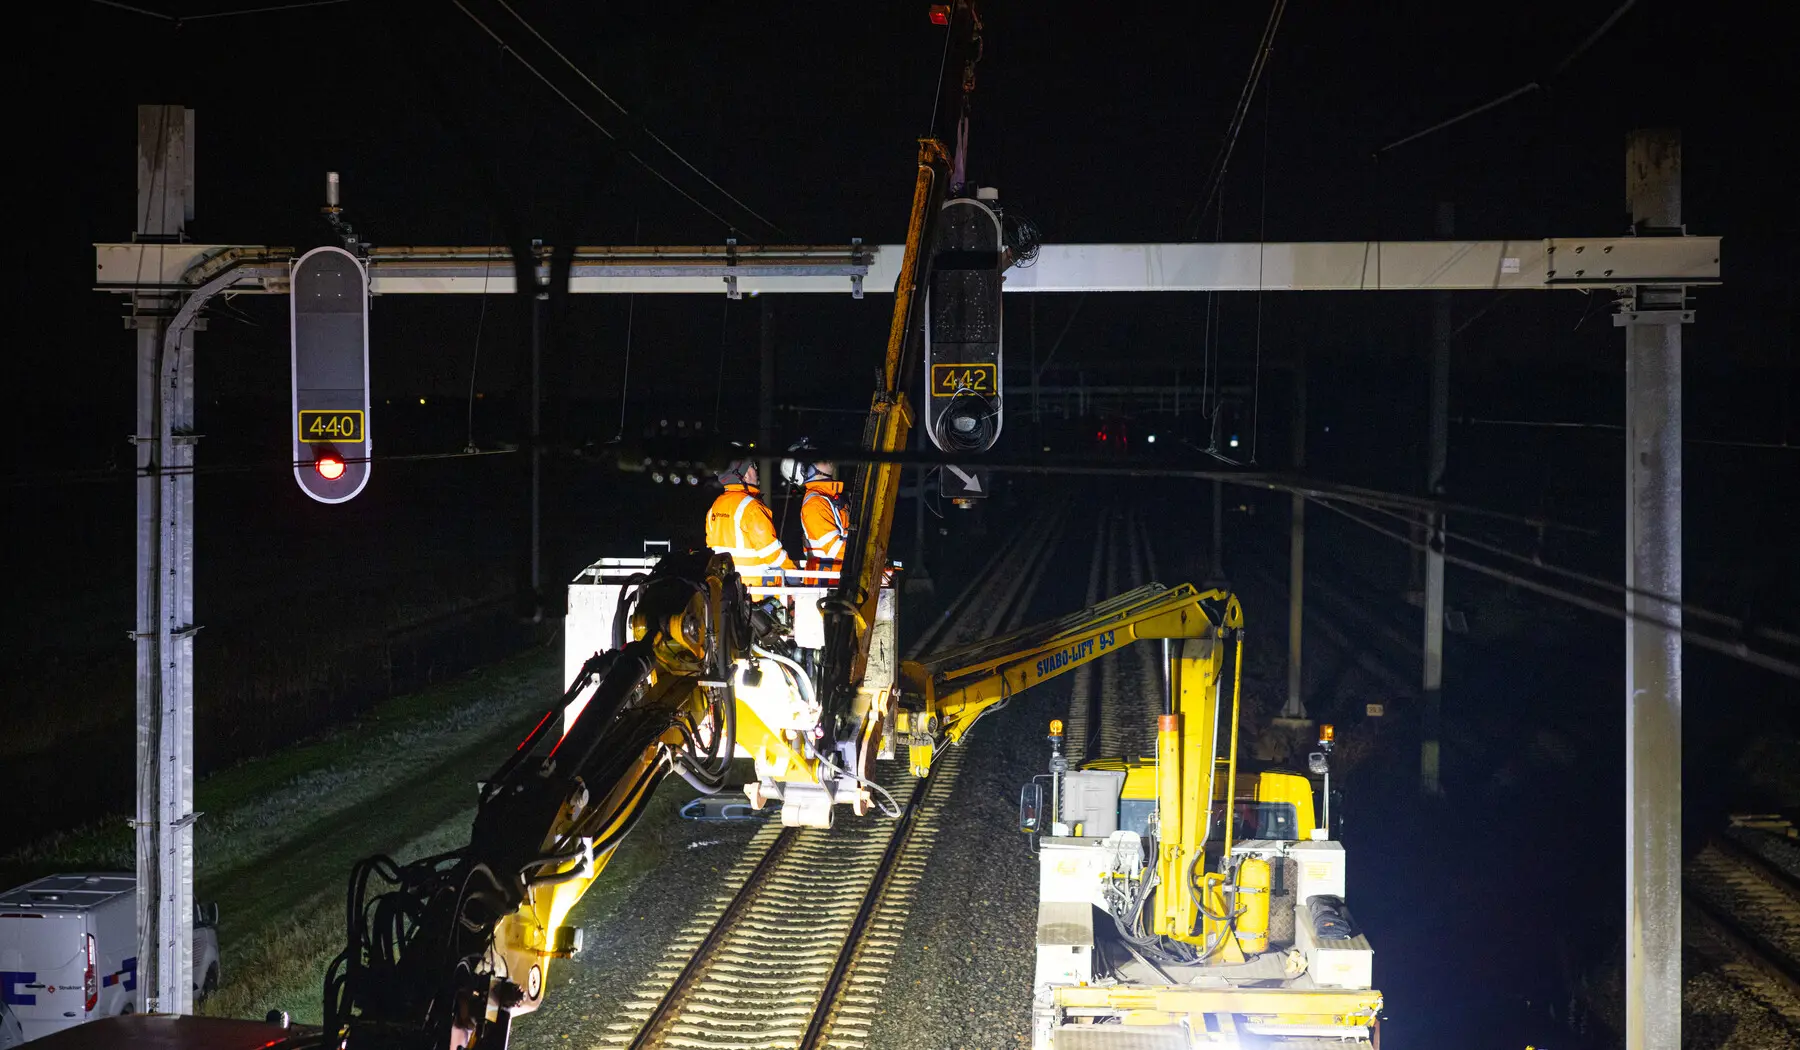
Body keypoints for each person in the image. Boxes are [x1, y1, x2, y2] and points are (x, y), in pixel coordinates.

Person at [704, 452, 795, 583]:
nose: (756, 471)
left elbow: (712, 546)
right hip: (757, 586)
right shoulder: (752, 508)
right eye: (753, 467)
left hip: (728, 587)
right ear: (745, 475)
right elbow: (772, 553)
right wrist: (793, 575)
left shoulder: (715, 506)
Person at [790, 440, 848, 569]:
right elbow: (834, 548)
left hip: (836, 573)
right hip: (830, 576)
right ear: (807, 471)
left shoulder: (828, 497)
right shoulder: (815, 504)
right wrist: (868, 555)